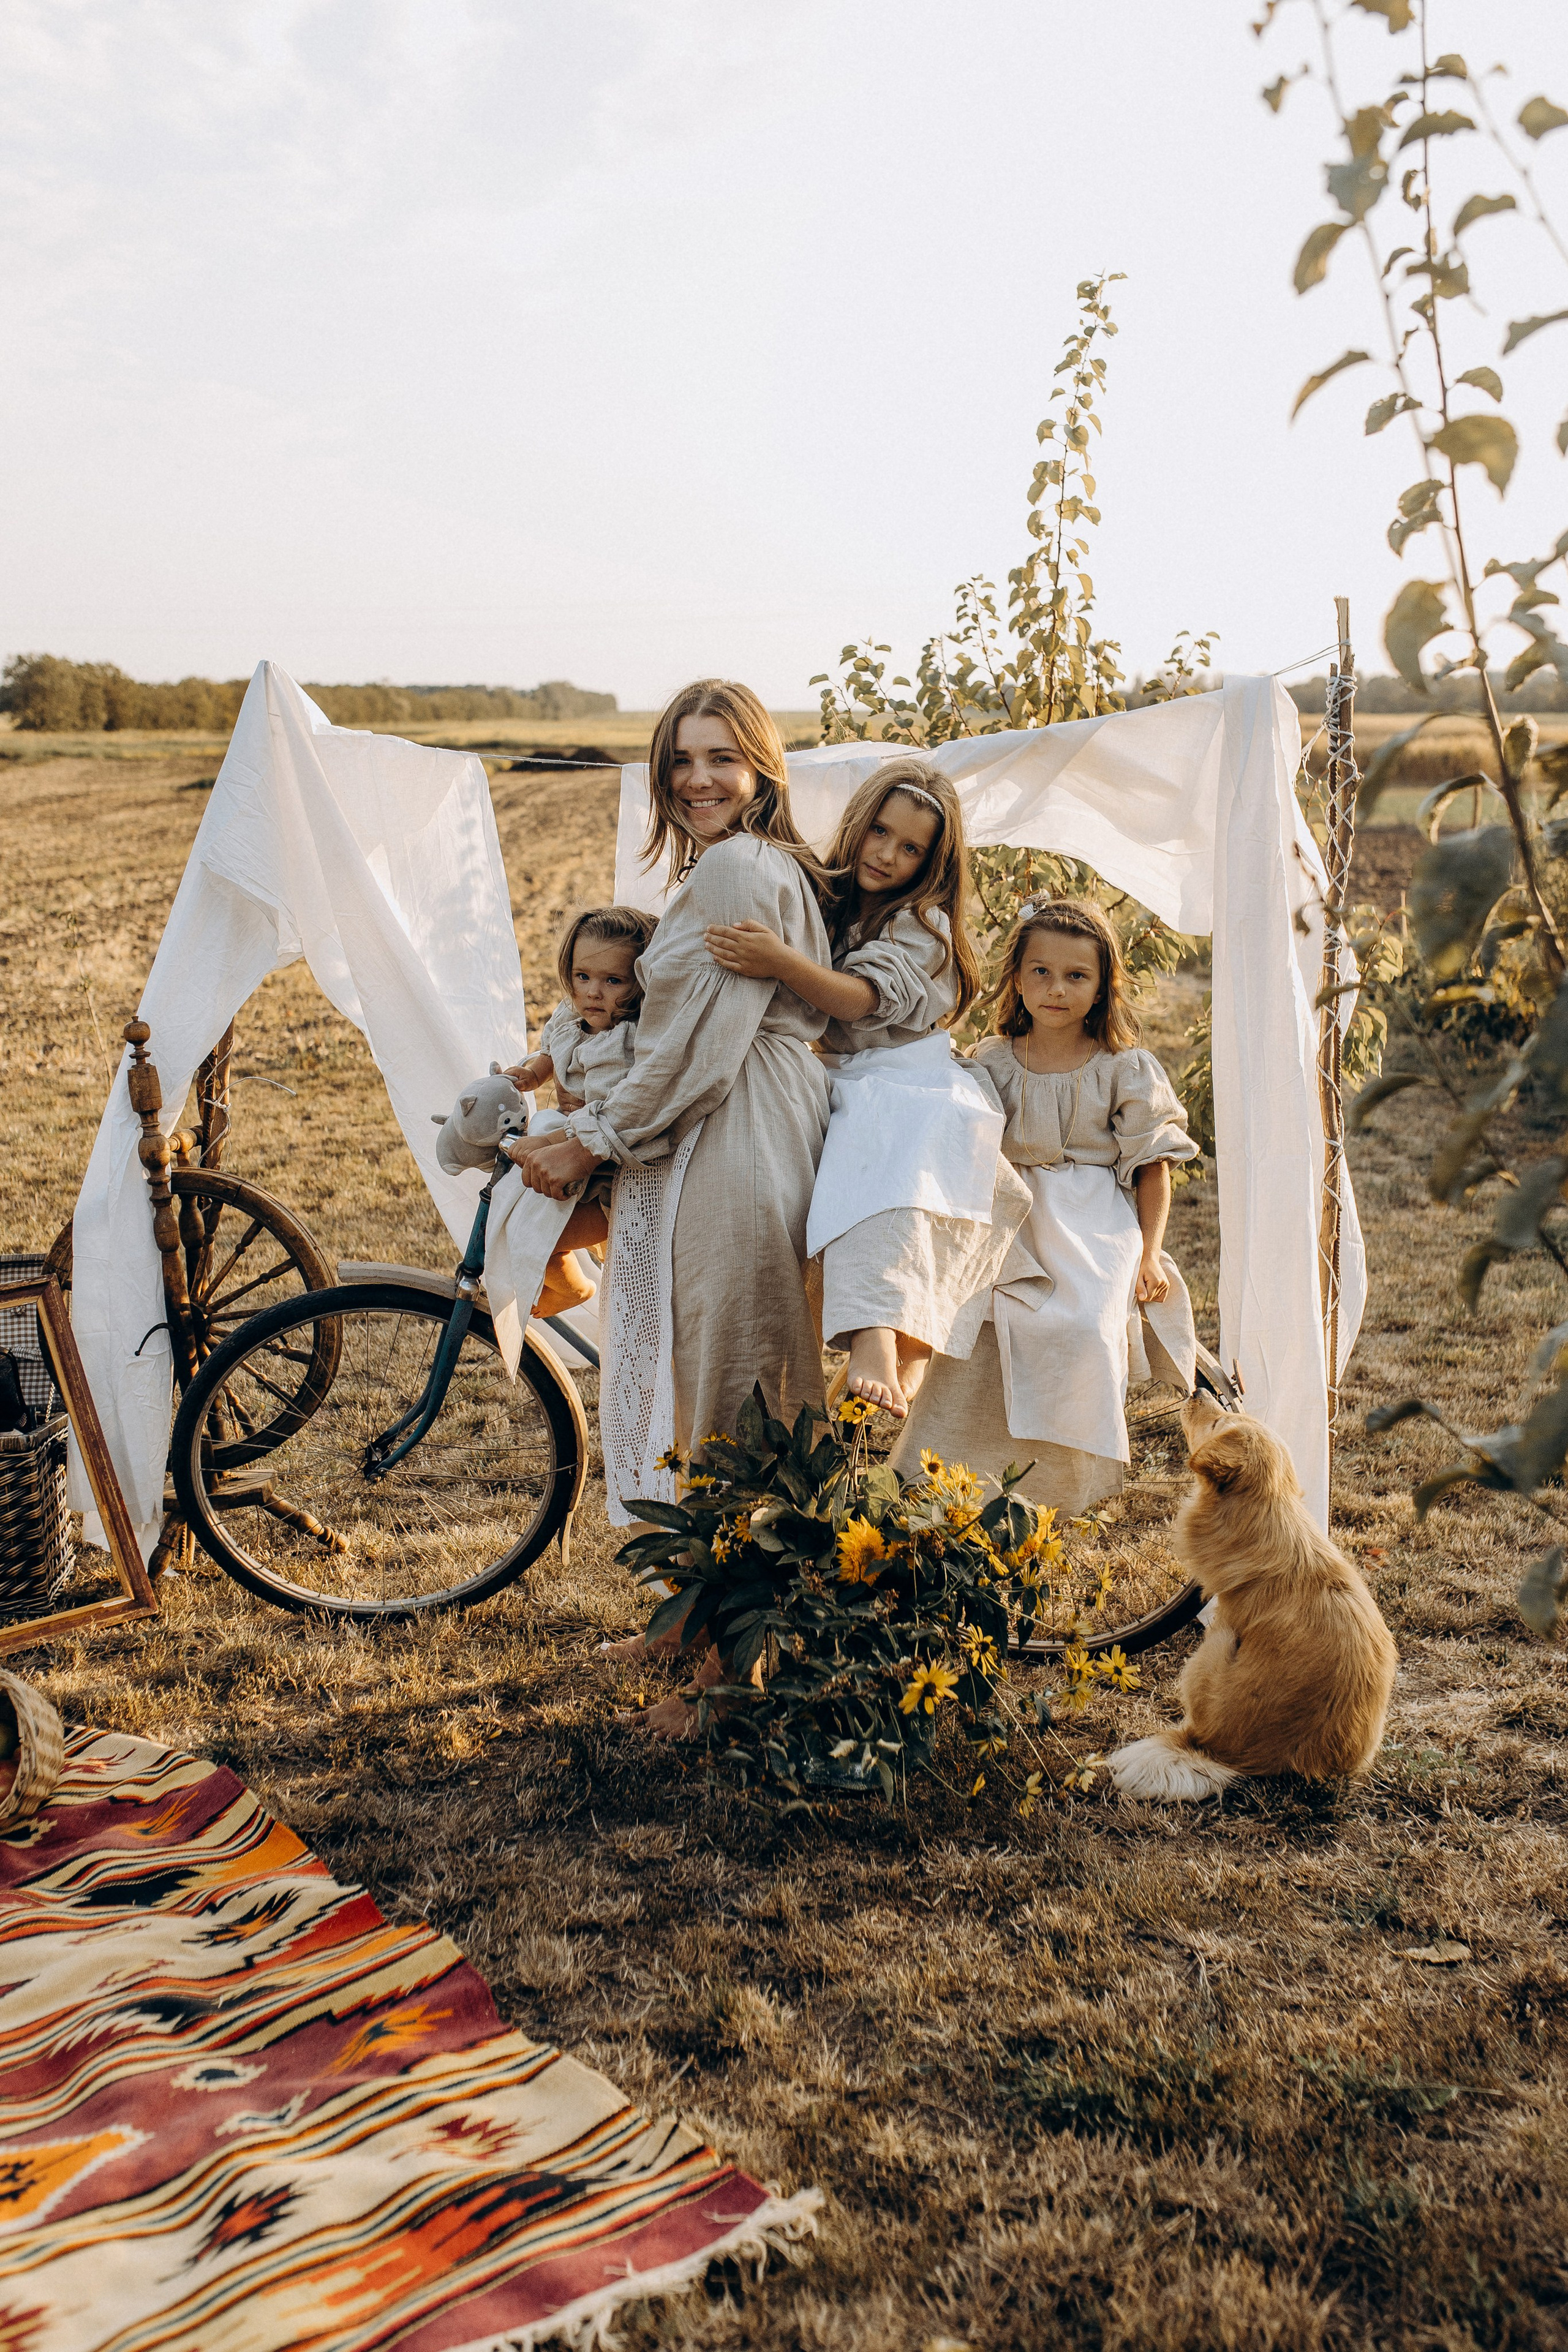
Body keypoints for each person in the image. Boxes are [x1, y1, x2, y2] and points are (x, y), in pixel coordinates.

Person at [511, 679, 834, 1733]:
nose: (698, 778)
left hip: (737, 1129)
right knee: (696, 1375)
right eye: (681, 758)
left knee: (737, 1385)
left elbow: (704, 1045)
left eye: (721, 759)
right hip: (708, 1128)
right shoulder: (723, 866)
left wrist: (593, 1136)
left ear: (762, 769)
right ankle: (688, 1622)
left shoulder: (743, 864)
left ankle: (735, 1679)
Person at [704, 758, 1028, 1416]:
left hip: (908, 1076)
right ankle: (896, 1336)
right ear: (858, 824)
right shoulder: (829, 898)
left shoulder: (922, 926)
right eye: (880, 832)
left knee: (874, 1178)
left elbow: (856, 1000)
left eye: (912, 848)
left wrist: (782, 962)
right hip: (849, 1075)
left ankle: (874, 1330)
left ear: (934, 864)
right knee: (838, 1166)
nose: (887, 855)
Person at [892, 897, 1199, 1515]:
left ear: (1102, 985)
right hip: (1009, 1209)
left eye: (1076, 976)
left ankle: (1057, 1482)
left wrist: (1151, 1252)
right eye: (1040, 972)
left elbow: (1152, 1166)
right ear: (1017, 978)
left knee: (1082, 1327)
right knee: (980, 1323)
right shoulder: (992, 1060)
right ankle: (951, 1471)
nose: (1055, 989)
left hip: (1092, 1221)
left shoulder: (1123, 1067)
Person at [494, 905, 656, 1320]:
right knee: (517, 1225)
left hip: (604, 1173)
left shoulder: (628, 1043)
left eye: (612, 980)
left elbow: (615, 1115)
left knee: (543, 1238)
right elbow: (553, 1051)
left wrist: (552, 1140)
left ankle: (573, 1290)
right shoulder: (573, 1014)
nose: (592, 992)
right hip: (566, 1139)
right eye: (583, 976)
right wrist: (533, 1075)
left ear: (640, 983)